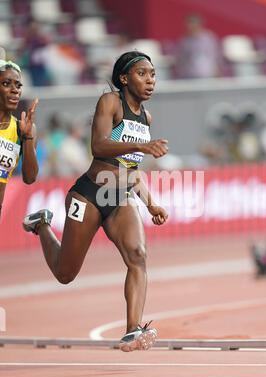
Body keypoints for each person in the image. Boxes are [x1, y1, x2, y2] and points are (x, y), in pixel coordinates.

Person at [23, 51, 169, 352]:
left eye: (153, 74)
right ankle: (41, 225)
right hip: (90, 194)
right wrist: (143, 144)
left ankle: (132, 330)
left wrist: (151, 203)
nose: (150, 80)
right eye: (142, 73)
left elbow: (131, 169)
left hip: (119, 197)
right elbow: (99, 145)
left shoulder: (146, 117)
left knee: (138, 255)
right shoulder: (110, 102)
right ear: (124, 78)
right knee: (66, 274)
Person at [0, 59, 39, 219]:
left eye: (18, 85)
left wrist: (28, 137)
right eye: (6, 84)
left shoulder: (21, 129)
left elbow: (30, 178)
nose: (15, 90)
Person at [176, 14, 220, 79]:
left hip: (208, 75)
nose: (190, 26)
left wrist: (216, 71)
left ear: (199, 24)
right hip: (189, 76)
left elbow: (215, 56)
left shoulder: (208, 38)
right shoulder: (184, 41)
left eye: (192, 23)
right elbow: (181, 60)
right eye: (188, 24)